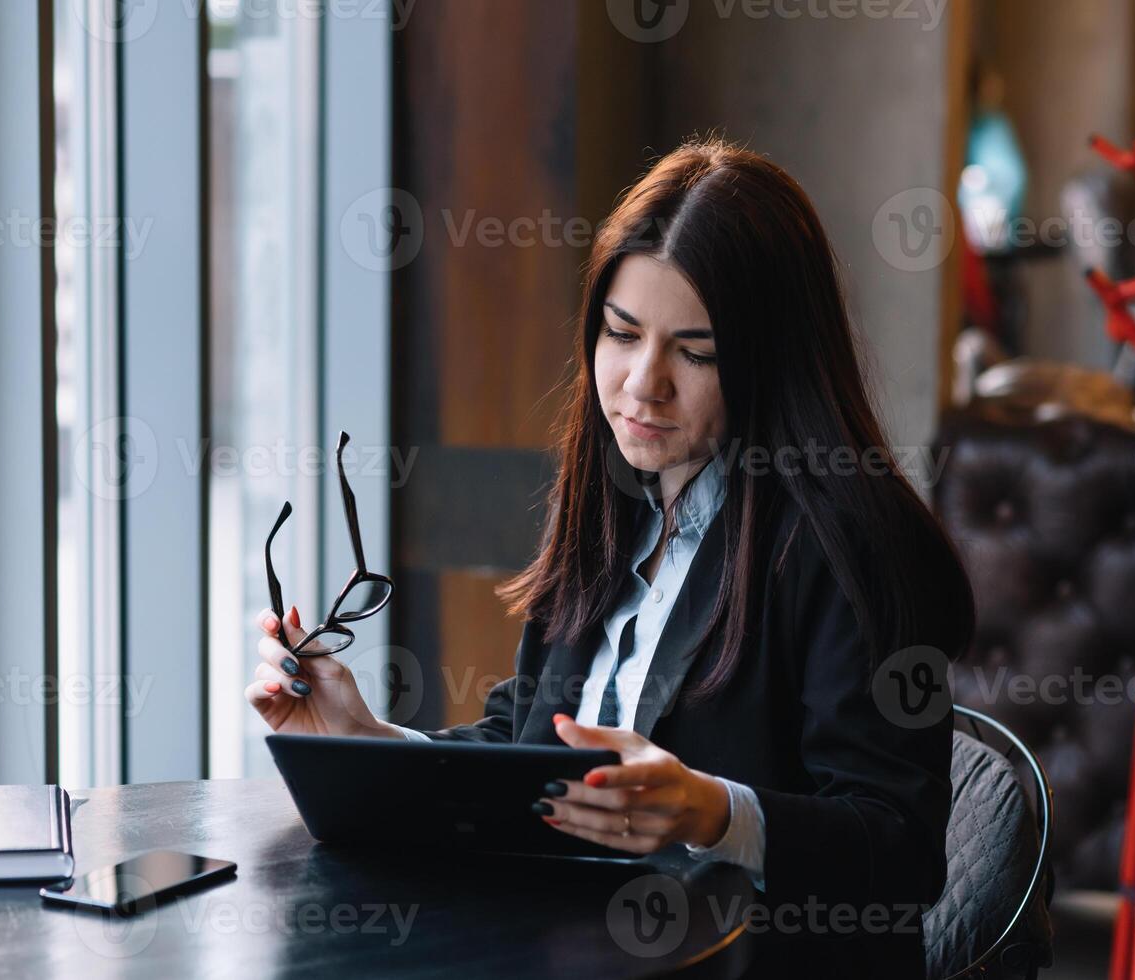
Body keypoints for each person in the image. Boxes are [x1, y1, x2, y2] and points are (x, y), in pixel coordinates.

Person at [245, 137, 975, 977]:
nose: (641, 384)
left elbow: (901, 850)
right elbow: (529, 743)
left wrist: (711, 812)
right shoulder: (611, 500)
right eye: (621, 334)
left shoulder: (848, 546)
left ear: (774, 361)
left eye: (695, 353)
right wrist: (364, 739)